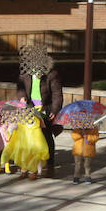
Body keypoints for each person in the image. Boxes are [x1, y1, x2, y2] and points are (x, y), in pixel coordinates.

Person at [18, 45, 63, 177]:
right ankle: (28, 166)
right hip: (29, 108)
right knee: (28, 138)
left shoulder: (51, 74)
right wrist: (22, 98)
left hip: (45, 108)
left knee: (46, 137)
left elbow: (57, 94)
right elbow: (20, 88)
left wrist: (54, 110)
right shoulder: (24, 73)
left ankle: (49, 165)